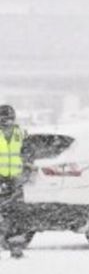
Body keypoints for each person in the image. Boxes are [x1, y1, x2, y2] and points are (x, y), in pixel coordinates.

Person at [0, 104, 28, 258]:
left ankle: (16, 248)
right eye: (4, 118)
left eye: (10, 118)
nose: (7, 122)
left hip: (15, 181)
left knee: (16, 215)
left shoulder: (20, 133)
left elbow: (26, 153)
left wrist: (26, 170)